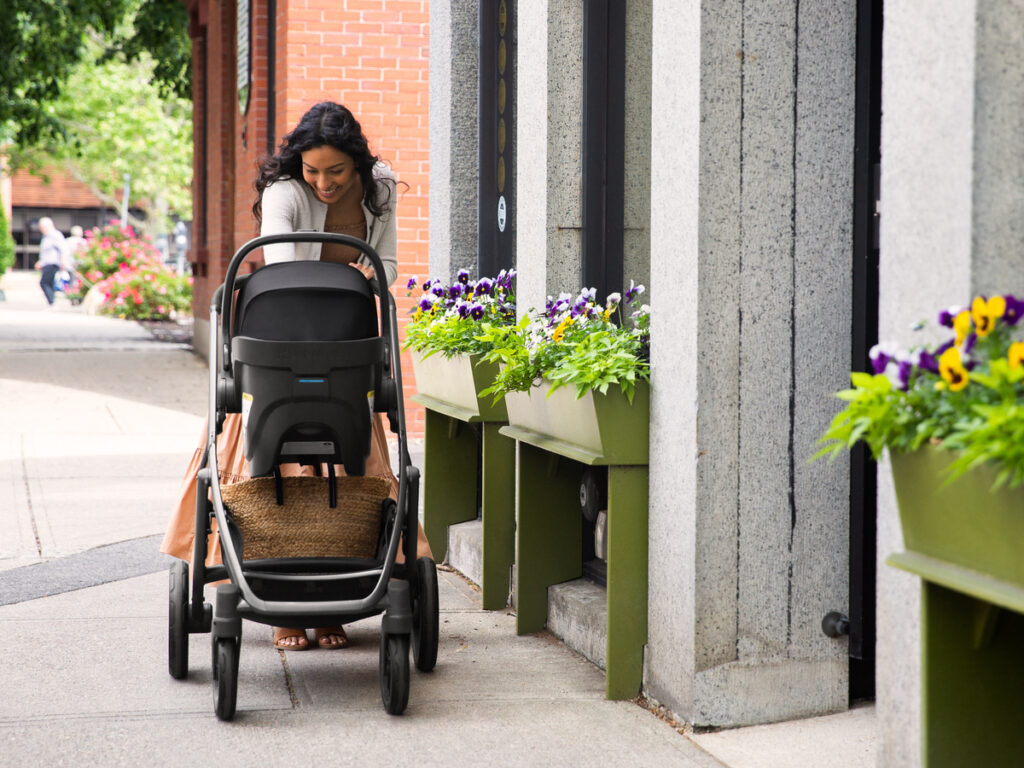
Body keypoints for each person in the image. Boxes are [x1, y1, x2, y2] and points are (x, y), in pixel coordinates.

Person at [161, 101, 432, 652]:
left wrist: (368, 276)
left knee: (349, 469)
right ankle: (281, 607)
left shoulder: (380, 188)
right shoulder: (284, 191)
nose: (324, 183)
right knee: (272, 468)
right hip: (283, 343)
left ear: (357, 163)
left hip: (348, 346)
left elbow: (391, 263)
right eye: (313, 171)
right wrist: (341, 281)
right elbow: (283, 264)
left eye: (336, 171)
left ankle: (336, 603)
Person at [34, 217, 67, 306]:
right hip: (47, 263)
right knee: (49, 282)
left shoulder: (55, 235)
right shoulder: (46, 237)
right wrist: (40, 262)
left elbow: (63, 248)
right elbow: (45, 253)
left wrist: (63, 261)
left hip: (53, 263)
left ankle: (51, 301)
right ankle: (52, 301)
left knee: (44, 282)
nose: (41, 229)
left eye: (43, 227)